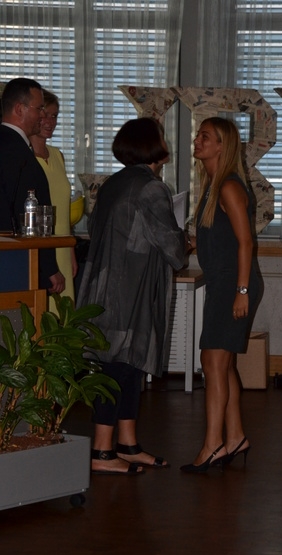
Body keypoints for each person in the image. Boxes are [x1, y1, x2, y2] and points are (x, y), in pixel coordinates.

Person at [77, 117, 188, 474]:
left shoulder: (114, 182)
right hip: (130, 288)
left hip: (106, 285)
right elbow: (173, 249)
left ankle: (127, 444)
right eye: (161, 136)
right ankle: (102, 451)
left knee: (128, 365)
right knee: (118, 366)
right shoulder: (151, 188)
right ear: (150, 145)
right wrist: (187, 240)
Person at [180, 117, 261, 473]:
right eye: (198, 135)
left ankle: (213, 445)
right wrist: (194, 242)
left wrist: (241, 291)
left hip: (233, 284)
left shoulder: (228, 186)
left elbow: (246, 242)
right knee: (221, 365)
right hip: (224, 281)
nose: (197, 141)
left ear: (221, 147)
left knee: (212, 362)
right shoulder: (214, 186)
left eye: (205, 137)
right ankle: (236, 437)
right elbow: (224, 238)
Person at [0, 77, 65, 294]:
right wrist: (49, 267)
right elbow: (27, 213)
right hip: (15, 263)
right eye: (39, 109)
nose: (42, 115)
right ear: (20, 109)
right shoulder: (18, 153)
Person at [30, 89, 77, 305]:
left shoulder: (58, 155)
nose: (50, 122)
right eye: (45, 115)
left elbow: (64, 210)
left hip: (63, 248)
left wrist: (70, 251)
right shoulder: (23, 157)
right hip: (39, 250)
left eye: (55, 116)